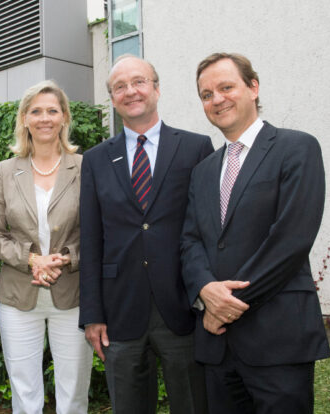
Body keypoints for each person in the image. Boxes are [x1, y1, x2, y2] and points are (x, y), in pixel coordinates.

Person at [181, 52, 330, 413]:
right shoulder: (203, 171)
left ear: (253, 87)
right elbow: (190, 241)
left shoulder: (297, 148)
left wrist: (225, 306)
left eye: (226, 87)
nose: (217, 99)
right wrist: (205, 290)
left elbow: (290, 240)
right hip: (218, 350)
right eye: (206, 94)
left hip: (278, 339)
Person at [79, 54, 213, 414]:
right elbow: (90, 240)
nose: (130, 91)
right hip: (119, 310)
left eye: (139, 81)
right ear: (111, 98)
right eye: (119, 86)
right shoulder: (94, 160)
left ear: (156, 88)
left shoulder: (196, 148)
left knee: (193, 403)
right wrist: (92, 313)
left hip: (182, 305)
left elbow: (207, 229)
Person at [0, 80, 92, 414]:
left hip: (72, 294)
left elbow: (98, 233)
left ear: (64, 118)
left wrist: (67, 259)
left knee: (73, 389)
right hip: (18, 296)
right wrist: (32, 260)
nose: (45, 118)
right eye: (36, 111)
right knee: (24, 389)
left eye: (52, 111)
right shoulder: (5, 171)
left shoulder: (86, 168)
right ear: (25, 119)